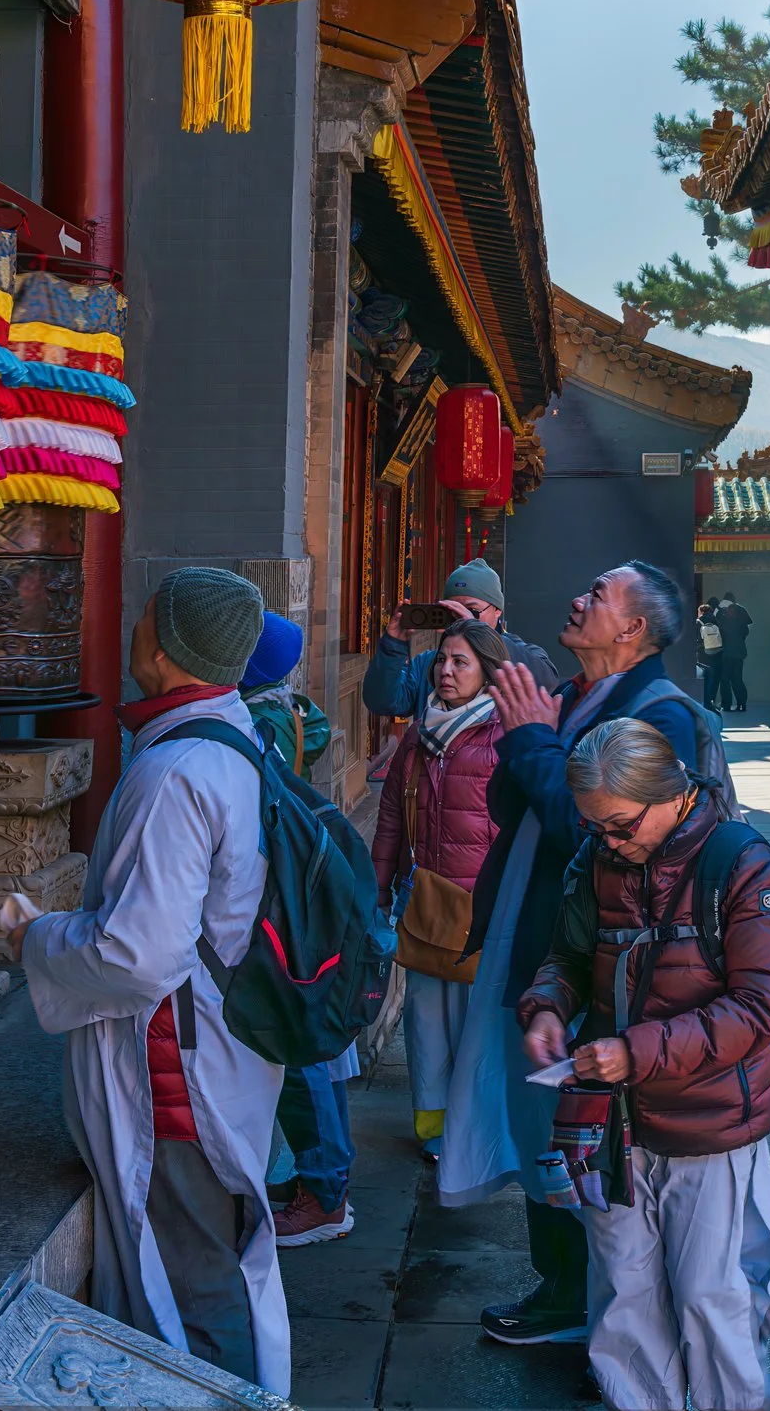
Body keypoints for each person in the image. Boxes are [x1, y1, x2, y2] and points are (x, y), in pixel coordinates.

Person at [7, 567, 291, 1396]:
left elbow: (138, 956)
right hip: (222, 1054)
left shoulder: (177, 773)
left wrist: (36, 936)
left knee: (194, 1289)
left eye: (142, 619)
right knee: (212, 1269)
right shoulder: (233, 736)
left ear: (164, 648)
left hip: (177, 1082)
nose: (129, 629)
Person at [439, 560, 710, 1348]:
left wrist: (530, 740)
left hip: (605, 960)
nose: (577, 597)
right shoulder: (576, 695)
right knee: (539, 1121)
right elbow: (509, 799)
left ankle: (591, 1301)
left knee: (582, 1128)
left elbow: (593, 832)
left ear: (632, 628)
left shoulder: (664, 715)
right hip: (546, 941)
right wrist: (527, 735)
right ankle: (562, 1286)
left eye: (596, 594)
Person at [522, 718, 770, 1411]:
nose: (607, 841)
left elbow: (763, 1006)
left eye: (618, 825)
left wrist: (635, 1051)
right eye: (595, 828)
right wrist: (547, 1006)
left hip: (709, 1123)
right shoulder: (596, 860)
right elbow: (570, 958)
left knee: (714, 1296)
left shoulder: (740, 860)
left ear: (670, 794)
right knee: (622, 1293)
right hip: (612, 1125)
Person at [238, 610, 358, 1249]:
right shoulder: (290, 709)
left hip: (279, 904)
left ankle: (324, 1192)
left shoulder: (255, 723)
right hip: (300, 896)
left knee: (300, 1047)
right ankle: (325, 1180)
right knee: (310, 1048)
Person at [370, 618, 506, 1160]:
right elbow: (388, 820)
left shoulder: (506, 735)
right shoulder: (419, 735)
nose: (445, 671)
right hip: (426, 908)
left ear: (489, 673)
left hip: (485, 916)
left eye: (460, 662)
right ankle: (433, 1131)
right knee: (426, 1033)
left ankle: (476, 1132)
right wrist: (380, 889)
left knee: (479, 1033)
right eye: (441, 660)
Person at [361, 557, 559, 719]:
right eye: (452, 611)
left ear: (497, 610)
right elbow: (382, 701)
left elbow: (547, 680)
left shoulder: (517, 651)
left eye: (472, 610)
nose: (460, 619)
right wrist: (393, 646)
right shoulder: (432, 664)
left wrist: (479, 634)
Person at [713, 595, 753, 714]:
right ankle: (742, 703)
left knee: (725, 679)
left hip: (727, 654)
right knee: (737, 679)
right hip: (739, 653)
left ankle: (727, 704)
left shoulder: (725, 622)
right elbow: (745, 633)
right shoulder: (741, 625)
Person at [695, 600, 726, 711]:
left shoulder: (698, 622)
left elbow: (695, 638)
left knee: (705, 676)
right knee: (716, 677)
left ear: (701, 611)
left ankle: (706, 701)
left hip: (703, 654)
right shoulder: (716, 620)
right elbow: (723, 635)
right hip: (717, 652)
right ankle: (712, 699)